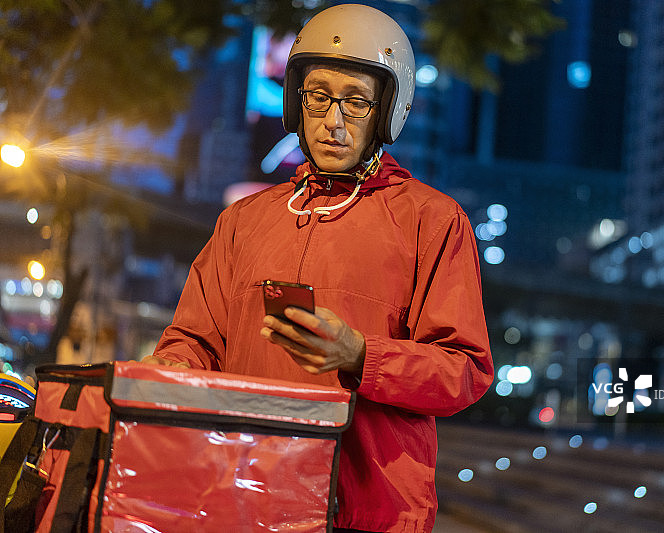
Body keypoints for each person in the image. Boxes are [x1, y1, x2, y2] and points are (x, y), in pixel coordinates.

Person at [143, 4, 493, 532]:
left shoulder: (434, 222)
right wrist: (174, 370)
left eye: (355, 102)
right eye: (319, 96)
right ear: (294, 102)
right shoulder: (242, 220)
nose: (333, 120)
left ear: (387, 112)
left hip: (366, 513)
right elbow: (194, 339)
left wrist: (361, 355)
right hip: (240, 496)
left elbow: (464, 369)